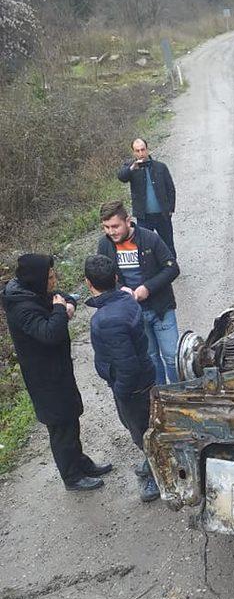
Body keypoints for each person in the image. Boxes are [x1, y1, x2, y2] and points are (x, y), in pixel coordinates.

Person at [1, 254, 112, 491]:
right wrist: (61, 311)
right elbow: (50, 334)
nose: (54, 280)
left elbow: (61, 297)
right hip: (44, 378)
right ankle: (71, 477)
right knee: (60, 426)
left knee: (70, 418)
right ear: (38, 279)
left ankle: (80, 463)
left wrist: (66, 304)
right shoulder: (21, 307)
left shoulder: (32, 291)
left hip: (57, 370)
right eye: (50, 277)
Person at [85, 255, 160, 502]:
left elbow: (126, 364)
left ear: (88, 282)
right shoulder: (125, 301)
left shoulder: (106, 320)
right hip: (143, 378)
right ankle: (152, 466)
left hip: (132, 387)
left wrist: (120, 389)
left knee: (143, 433)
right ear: (116, 278)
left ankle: (156, 477)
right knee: (145, 427)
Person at [97, 200, 180, 385]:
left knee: (172, 358)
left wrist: (148, 288)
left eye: (115, 226)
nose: (111, 232)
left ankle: (180, 394)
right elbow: (102, 278)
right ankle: (161, 397)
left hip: (161, 310)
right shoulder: (104, 246)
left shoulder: (150, 238)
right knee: (150, 359)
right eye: (106, 227)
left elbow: (172, 268)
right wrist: (120, 289)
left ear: (128, 221)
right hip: (133, 315)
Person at [117, 138, 177, 258]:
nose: (141, 153)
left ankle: (172, 266)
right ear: (133, 152)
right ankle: (154, 269)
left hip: (162, 214)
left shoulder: (160, 167)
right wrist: (132, 168)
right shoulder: (131, 168)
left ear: (147, 150)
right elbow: (121, 177)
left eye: (143, 150)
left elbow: (170, 188)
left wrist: (170, 208)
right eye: (137, 151)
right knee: (146, 246)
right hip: (144, 217)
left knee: (167, 243)